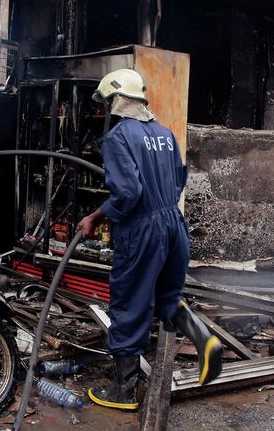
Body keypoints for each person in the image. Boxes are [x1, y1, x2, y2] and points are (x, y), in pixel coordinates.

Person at [77, 68, 223, 411]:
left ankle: (124, 391)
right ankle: (203, 337)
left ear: (116, 100)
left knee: (129, 303)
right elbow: (177, 180)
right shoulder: (164, 134)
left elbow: (127, 193)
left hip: (141, 229)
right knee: (165, 294)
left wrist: (114, 218)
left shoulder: (117, 138)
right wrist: (99, 214)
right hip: (173, 223)